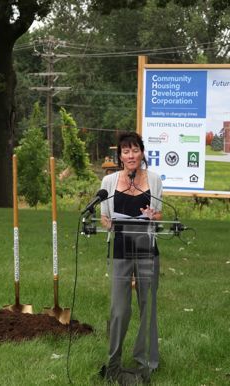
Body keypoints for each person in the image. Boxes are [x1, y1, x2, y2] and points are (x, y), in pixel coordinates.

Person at [99, 132, 163, 384]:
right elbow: (104, 218)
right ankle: (113, 361)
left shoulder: (155, 180)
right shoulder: (109, 181)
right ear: (120, 156)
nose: (131, 155)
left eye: (135, 150)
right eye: (126, 151)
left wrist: (151, 215)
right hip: (121, 250)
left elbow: (160, 216)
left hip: (147, 250)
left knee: (148, 307)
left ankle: (146, 361)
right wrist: (110, 223)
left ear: (142, 152)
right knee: (119, 310)